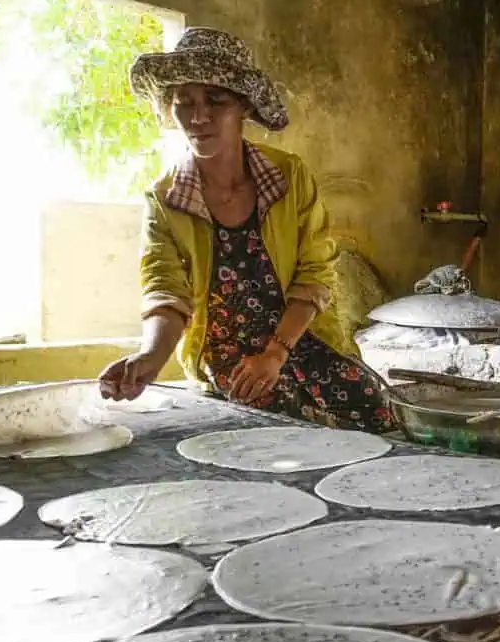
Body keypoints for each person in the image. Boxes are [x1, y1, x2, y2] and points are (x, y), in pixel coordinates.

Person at [98, 27, 393, 434]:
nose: (197, 118)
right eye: (184, 103)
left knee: (375, 406)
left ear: (243, 107)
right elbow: (166, 290)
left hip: (298, 340)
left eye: (215, 101)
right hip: (225, 355)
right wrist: (148, 358)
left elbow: (316, 274)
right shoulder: (165, 199)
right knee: (278, 420)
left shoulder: (289, 177)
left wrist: (275, 353)